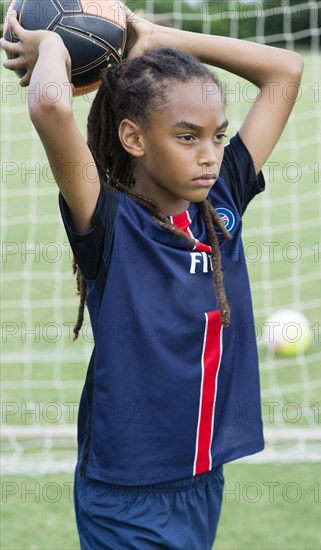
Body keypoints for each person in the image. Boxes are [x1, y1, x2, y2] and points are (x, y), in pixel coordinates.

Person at [1, 6, 303, 549]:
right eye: (187, 138)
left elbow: (284, 71)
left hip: (202, 476)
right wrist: (52, 45)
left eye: (218, 137)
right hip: (126, 489)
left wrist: (159, 37)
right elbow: (49, 105)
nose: (210, 155)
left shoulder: (223, 198)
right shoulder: (109, 220)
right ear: (134, 138)